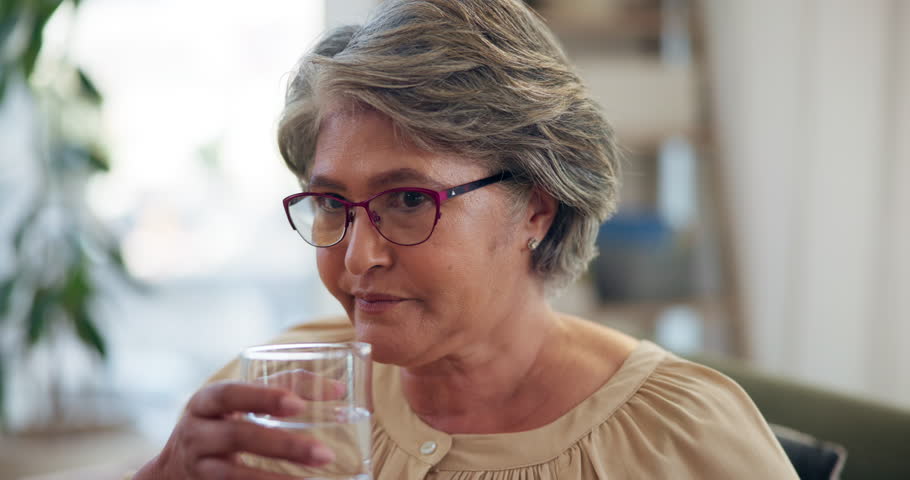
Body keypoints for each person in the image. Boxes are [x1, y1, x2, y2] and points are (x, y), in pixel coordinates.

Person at [133, 0, 799, 478]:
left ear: (536, 207)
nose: (359, 256)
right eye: (333, 203)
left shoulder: (678, 439)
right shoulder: (286, 392)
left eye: (406, 200)